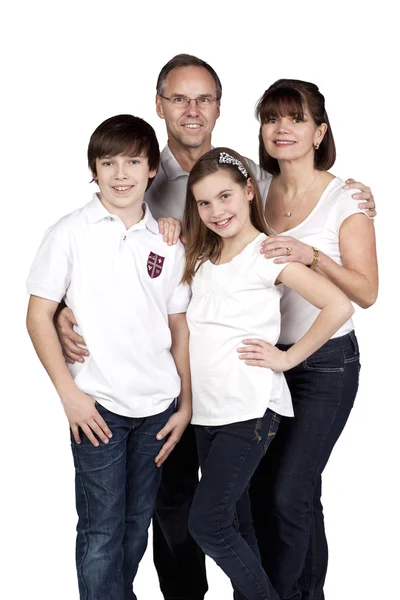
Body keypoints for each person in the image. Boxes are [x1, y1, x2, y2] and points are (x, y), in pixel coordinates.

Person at [55, 55, 377, 600]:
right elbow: (96, 253)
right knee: (179, 501)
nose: (192, 110)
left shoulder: (255, 176)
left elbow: (351, 292)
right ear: (159, 106)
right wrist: (62, 306)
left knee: (282, 497)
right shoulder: (139, 173)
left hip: (283, 368)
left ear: (219, 109)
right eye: (179, 98)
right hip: (186, 377)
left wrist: (341, 210)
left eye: (203, 98)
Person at [26, 114, 192, 600]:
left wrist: (185, 403)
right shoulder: (69, 232)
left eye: (134, 162)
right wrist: (69, 396)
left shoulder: (166, 241)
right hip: (97, 407)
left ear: (152, 170)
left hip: (158, 408)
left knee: (137, 526)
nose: (121, 174)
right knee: (101, 531)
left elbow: (178, 327)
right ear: (94, 171)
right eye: (109, 162)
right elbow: (38, 317)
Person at [182, 147, 354, 600]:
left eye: (225, 196)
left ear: (248, 191)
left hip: (249, 410)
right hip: (207, 413)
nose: (217, 211)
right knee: (238, 523)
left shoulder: (267, 254)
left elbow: (338, 305)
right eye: (204, 203)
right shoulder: (200, 258)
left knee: (207, 523)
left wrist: (287, 358)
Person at [248, 79, 378, 600]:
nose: (282, 129)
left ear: (319, 131)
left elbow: (367, 291)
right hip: (264, 360)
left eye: (296, 119)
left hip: (325, 365)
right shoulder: (256, 185)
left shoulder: (344, 196)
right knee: (278, 494)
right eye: (272, 118)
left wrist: (313, 257)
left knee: (289, 493)